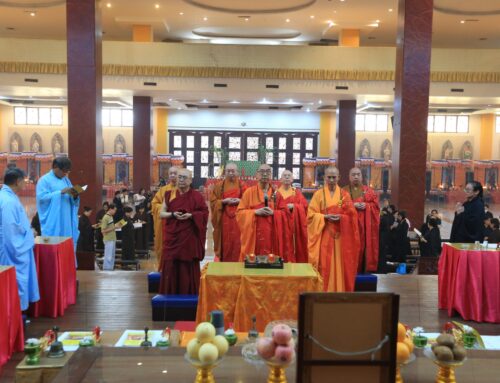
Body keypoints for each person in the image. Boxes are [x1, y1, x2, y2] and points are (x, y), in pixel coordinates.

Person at [307, 167, 360, 292]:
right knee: (325, 264)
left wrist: (341, 218)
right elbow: (310, 215)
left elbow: (351, 215)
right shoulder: (318, 194)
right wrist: (324, 216)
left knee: (339, 264)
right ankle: (323, 291)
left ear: (339, 178)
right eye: (329, 177)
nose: (331, 180)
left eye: (334, 177)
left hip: (340, 237)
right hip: (324, 234)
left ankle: (339, 291)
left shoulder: (344, 195)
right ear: (324, 178)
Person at [159, 169, 208, 294]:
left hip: (188, 239)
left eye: (184, 178)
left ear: (190, 180)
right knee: (170, 265)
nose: (181, 180)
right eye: (179, 177)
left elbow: (204, 213)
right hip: (173, 238)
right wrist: (173, 215)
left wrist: (191, 216)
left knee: (187, 266)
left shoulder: (196, 196)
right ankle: (169, 294)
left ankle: (189, 294)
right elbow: (161, 213)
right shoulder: (169, 194)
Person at [0, 168, 40, 310]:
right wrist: (29, 235)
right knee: (16, 282)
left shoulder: (8, 197)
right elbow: (9, 231)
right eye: (24, 180)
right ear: (17, 181)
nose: (26, 183)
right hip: (13, 250)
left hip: (15, 243)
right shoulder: (8, 201)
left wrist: (28, 232)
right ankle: (17, 316)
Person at [236, 164, 282, 260]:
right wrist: (255, 212)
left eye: (268, 172)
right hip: (253, 237)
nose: (265, 174)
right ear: (257, 175)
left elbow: (285, 214)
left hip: (271, 236)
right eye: (262, 172)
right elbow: (239, 213)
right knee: (252, 262)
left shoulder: (277, 194)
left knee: (271, 262)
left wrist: (274, 213)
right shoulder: (249, 192)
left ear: (271, 175)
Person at [36, 157, 79, 252]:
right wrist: (60, 193)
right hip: (53, 221)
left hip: (66, 221)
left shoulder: (66, 180)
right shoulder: (44, 180)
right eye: (64, 171)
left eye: (67, 172)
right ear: (56, 167)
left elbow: (73, 201)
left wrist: (75, 196)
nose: (65, 174)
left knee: (66, 248)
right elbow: (42, 198)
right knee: (54, 249)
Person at [342, 167, 380, 273]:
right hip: (349, 228)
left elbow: (376, 207)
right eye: (353, 174)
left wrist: (367, 206)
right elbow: (339, 206)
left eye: (358, 174)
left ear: (362, 177)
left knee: (363, 250)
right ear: (349, 177)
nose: (356, 177)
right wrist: (352, 205)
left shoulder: (369, 191)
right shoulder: (343, 191)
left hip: (364, 228)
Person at [209, 163, 247, 262]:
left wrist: (240, 201)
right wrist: (223, 201)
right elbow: (213, 202)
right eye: (228, 171)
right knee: (225, 242)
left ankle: (239, 262)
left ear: (237, 172)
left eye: (233, 171)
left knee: (237, 241)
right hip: (223, 218)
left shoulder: (242, 185)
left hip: (238, 219)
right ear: (224, 172)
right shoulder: (219, 186)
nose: (230, 173)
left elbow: (248, 201)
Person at [274, 170, 308, 263]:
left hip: (294, 226)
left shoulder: (296, 193)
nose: (287, 177)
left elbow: (305, 207)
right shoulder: (276, 193)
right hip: (280, 225)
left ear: (292, 179)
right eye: (285, 175)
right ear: (280, 179)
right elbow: (272, 209)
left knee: (293, 246)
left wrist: (295, 207)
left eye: (289, 175)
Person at [152, 166, 178, 269]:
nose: (172, 175)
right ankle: (164, 269)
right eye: (170, 173)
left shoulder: (182, 189)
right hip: (165, 223)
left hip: (177, 223)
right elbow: (154, 204)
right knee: (163, 247)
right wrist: (163, 207)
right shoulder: (163, 190)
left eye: (175, 173)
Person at [101, 204, 121, 271]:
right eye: (114, 210)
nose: (115, 211)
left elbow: (110, 227)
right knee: (108, 256)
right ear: (110, 209)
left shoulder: (110, 217)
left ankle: (111, 270)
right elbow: (103, 230)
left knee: (112, 256)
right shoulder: (105, 217)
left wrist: (115, 226)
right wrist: (114, 227)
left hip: (112, 238)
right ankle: (106, 270)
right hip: (108, 239)